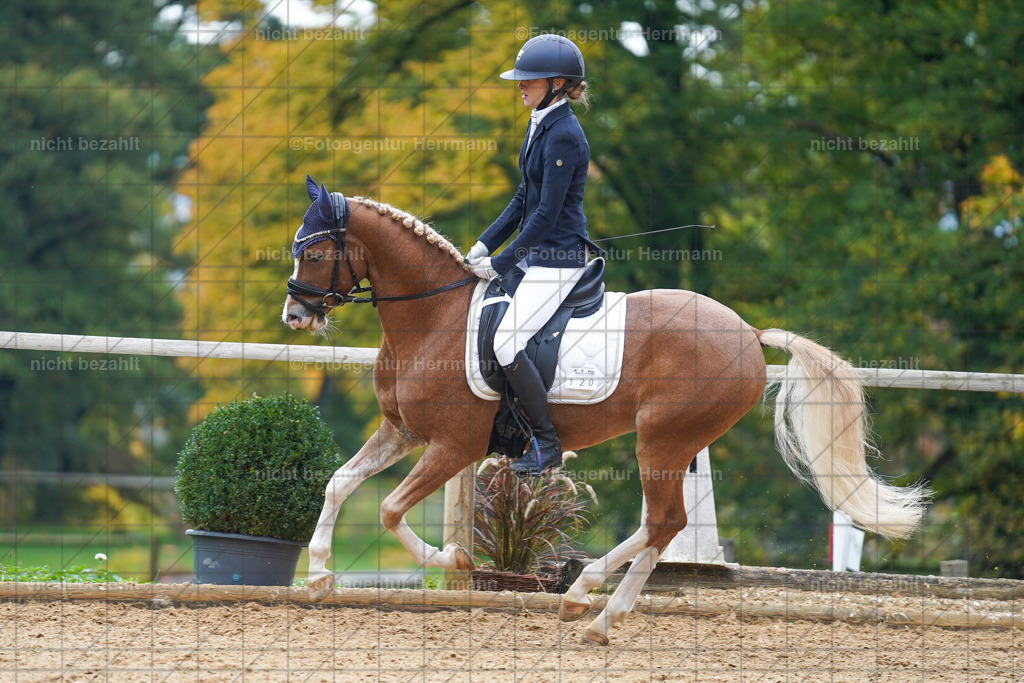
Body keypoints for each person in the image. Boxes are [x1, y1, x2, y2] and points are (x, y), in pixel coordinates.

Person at [466, 34, 603, 476]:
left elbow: (544, 216)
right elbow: (524, 197)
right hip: (537, 254)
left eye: (529, 80)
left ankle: (545, 444)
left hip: (560, 257)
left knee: (506, 342)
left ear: (558, 83)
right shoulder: (539, 121)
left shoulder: (565, 135)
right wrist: (484, 244)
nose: (520, 86)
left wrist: (501, 263)